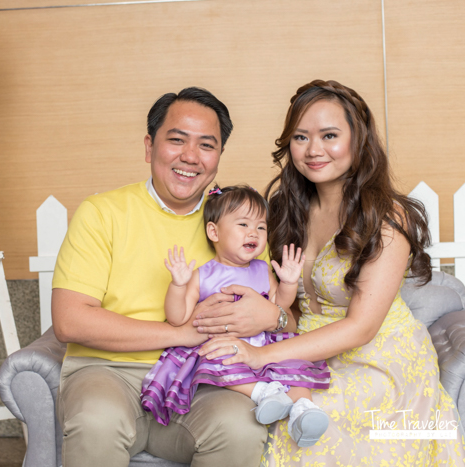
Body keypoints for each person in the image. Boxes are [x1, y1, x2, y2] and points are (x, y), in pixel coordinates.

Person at [197, 79, 465, 465]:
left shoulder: (385, 217)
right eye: (301, 137)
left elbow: (361, 328)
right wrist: (270, 316)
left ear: (357, 140)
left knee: (311, 424)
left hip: (377, 360)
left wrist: (261, 356)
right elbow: (291, 310)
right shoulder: (285, 211)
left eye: (329, 135)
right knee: (262, 409)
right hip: (306, 353)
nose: (313, 150)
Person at [52, 88, 284, 466]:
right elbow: (69, 320)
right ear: (150, 146)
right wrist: (181, 333)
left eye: (206, 145)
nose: (190, 156)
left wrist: (273, 316)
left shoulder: (240, 224)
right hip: (108, 372)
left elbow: (280, 311)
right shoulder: (102, 213)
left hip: (204, 379)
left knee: (241, 427)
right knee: (97, 420)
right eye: (177, 140)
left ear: (218, 157)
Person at [141, 184, 332, 447]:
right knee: (219, 362)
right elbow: (177, 317)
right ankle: (262, 393)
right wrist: (178, 285)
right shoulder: (203, 274)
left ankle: (304, 411)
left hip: (263, 344)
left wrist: (288, 283)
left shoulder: (263, 269)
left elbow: (279, 308)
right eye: (243, 224)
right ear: (214, 232)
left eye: (261, 227)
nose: (253, 232)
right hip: (224, 344)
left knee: (291, 364)